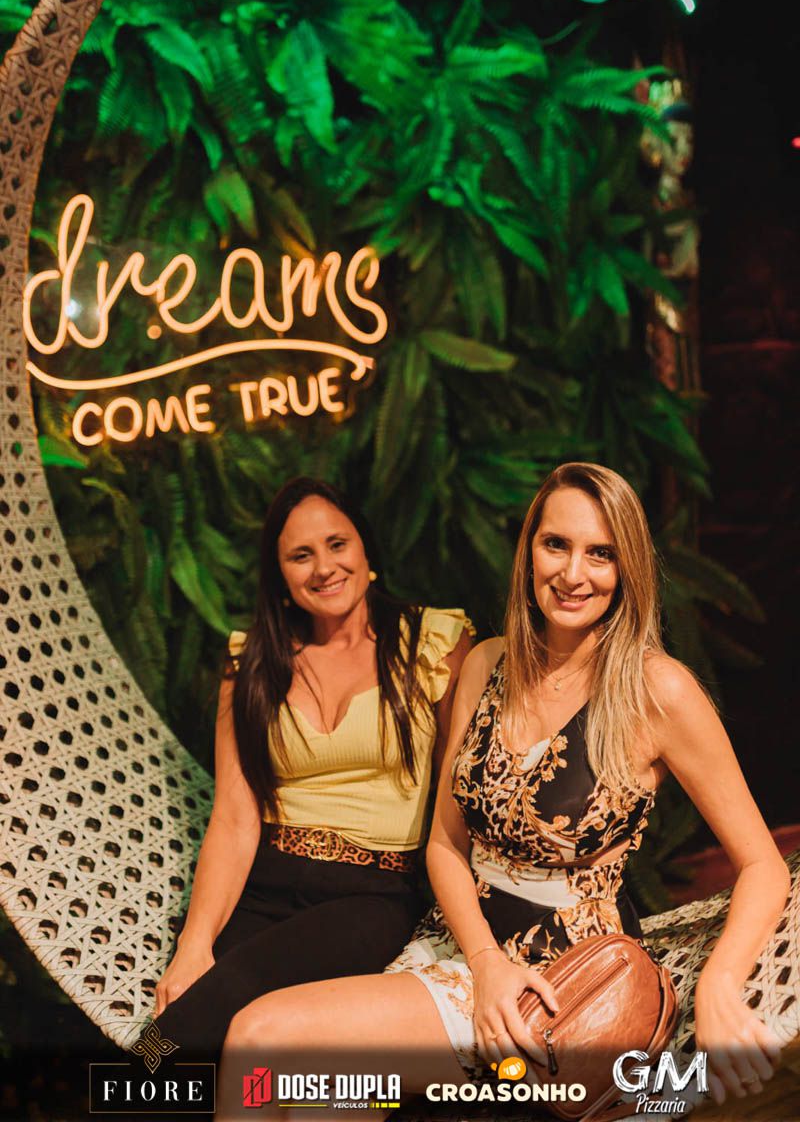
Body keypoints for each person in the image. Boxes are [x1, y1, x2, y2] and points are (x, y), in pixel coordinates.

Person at [214, 462, 790, 1118]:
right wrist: (484, 962)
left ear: (627, 567)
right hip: (458, 948)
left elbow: (762, 864)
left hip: (559, 977)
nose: (573, 573)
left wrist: (719, 983)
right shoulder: (487, 663)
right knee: (314, 1103)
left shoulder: (658, 691)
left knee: (260, 1040)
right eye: (556, 545)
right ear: (528, 552)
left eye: (600, 554)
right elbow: (443, 843)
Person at [151, 476, 473, 1060]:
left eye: (337, 544)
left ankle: (124, 1089)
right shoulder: (252, 665)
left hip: (371, 893)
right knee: (206, 1010)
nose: (324, 567)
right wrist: (194, 944)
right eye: (301, 555)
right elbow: (234, 819)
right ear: (280, 575)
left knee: (218, 1005)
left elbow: (461, 793)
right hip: (266, 883)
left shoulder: (431, 644)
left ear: (365, 549)